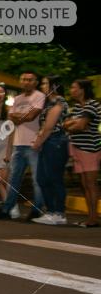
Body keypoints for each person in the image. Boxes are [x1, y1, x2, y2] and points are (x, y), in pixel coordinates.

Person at [0, 71, 45, 220]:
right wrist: (22, 116)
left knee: (36, 179)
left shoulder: (39, 96)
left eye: (29, 79)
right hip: (18, 145)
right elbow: (12, 119)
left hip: (33, 144)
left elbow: (31, 116)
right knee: (13, 179)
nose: (26, 82)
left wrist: (19, 116)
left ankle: (36, 210)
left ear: (35, 82)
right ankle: (7, 209)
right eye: (23, 79)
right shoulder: (18, 99)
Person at [31, 75, 69, 225]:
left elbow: (49, 126)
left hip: (55, 142)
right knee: (42, 178)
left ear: (53, 86)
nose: (42, 86)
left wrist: (38, 142)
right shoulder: (49, 102)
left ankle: (59, 213)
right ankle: (52, 211)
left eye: (45, 83)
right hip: (47, 143)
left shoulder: (59, 102)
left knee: (54, 178)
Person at [63, 79, 100, 227]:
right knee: (84, 184)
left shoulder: (92, 105)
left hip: (90, 148)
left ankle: (93, 218)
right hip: (77, 148)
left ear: (82, 90)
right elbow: (65, 124)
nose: (71, 90)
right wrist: (73, 124)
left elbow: (80, 125)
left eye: (73, 87)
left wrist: (73, 124)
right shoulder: (78, 107)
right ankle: (90, 217)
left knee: (90, 184)